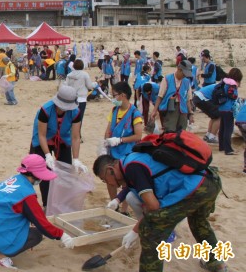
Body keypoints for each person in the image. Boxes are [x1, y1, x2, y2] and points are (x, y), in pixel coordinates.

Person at [93, 154, 225, 272]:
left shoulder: (132, 168)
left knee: (151, 233)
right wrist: (117, 200)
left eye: (105, 180)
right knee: (198, 223)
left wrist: (135, 231)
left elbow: (153, 207)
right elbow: (133, 186)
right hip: (209, 181)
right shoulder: (129, 161)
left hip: (193, 190)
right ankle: (216, 264)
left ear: (110, 169)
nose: (109, 184)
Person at [0, 154, 74, 269]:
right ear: (34, 174)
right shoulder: (27, 195)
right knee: (35, 235)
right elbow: (42, 224)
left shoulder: (15, 179)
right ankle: (0, 257)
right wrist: (61, 235)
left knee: (19, 221)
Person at [30, 86, 86, 206]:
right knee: (44, 172)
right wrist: (47, 155)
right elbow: (42, 135)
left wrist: (76, 159)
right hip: (43, 141)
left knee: (66, 170)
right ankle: (46, 204)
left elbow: (76, 137)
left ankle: (63, 202)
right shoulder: (45, 110)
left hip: (62, 139)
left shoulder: (75, 112)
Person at [102, 81, 143, 212]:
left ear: (123, 95)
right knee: (110, 179)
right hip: (112, 152)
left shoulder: (134, 114)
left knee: (126, 182)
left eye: (115, 95)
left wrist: (120, 140)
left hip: (127, 154)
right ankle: (114, 205)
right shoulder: (114, 110)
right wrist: (106, 140)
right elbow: (109, 128)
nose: (113, 98)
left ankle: (124, 210)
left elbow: (138, 136)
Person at [196, 68, 242, 154]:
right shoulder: (232, 84)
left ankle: (222, 147)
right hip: (228, 110)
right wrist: (236, 94)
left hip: (221, 108)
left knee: (222, 129)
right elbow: (232, 95)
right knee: (228, 130)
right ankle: (228, 149)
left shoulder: (224, 83)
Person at [150, 60, 194, 132]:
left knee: (182, 132)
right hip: (171, 109)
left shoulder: (186, 82)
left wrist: (191, 113)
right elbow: (160, 96)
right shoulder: (167, 79)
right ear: (179, 69)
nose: (184, 76)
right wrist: (154, 111)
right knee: (170, 130)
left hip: (183, 110)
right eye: (183, 74)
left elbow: (188, 99)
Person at [65, 59, 95, 137]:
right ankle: (77, 135)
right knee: (79, 118)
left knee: (70, 117)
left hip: (70, 99)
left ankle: (70, 133)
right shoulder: (85, 74)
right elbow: (89, 86)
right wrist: (94, 84)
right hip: (81, 99)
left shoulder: (69, 75)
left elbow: (66, 86)